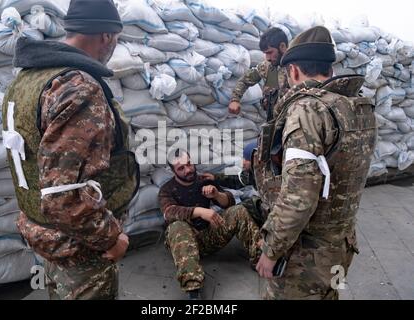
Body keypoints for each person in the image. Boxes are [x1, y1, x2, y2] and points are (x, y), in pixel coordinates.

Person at [1, 0, 140, 300]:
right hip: (82, 247)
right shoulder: (78, 87)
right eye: (116, 38)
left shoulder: (27, 79)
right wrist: (111, 239)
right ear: (106, 36)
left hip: (46, 236)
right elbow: (62, 196)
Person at [254, 26, 377, 300]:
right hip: (339, 246)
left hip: (306, 258)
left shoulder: (306, 111)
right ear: (329, 69)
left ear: (293, 71)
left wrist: (271, 251)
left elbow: (299, 196)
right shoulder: (356, 106)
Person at [158, 150, 262, 300]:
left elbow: (230, 202)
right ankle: (193, 288)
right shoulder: (166, 190)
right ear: (173, 171)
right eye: (181, 168)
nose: (188, 170)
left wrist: (217, 195)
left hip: (209, 237)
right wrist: (199, 211)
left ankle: (260, 259)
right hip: (184, 243)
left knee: (238, 211)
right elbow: (169, 212)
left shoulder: (203, 180)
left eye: (189, 164)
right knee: (177, 226)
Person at [229, 27, 290, 121]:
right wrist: (235, 99)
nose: (268, 58)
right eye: (265, 53)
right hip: (273, 121)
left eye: (270, 52)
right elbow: (244, 80)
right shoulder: (267, 67)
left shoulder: (298, 68)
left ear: (282, 46)